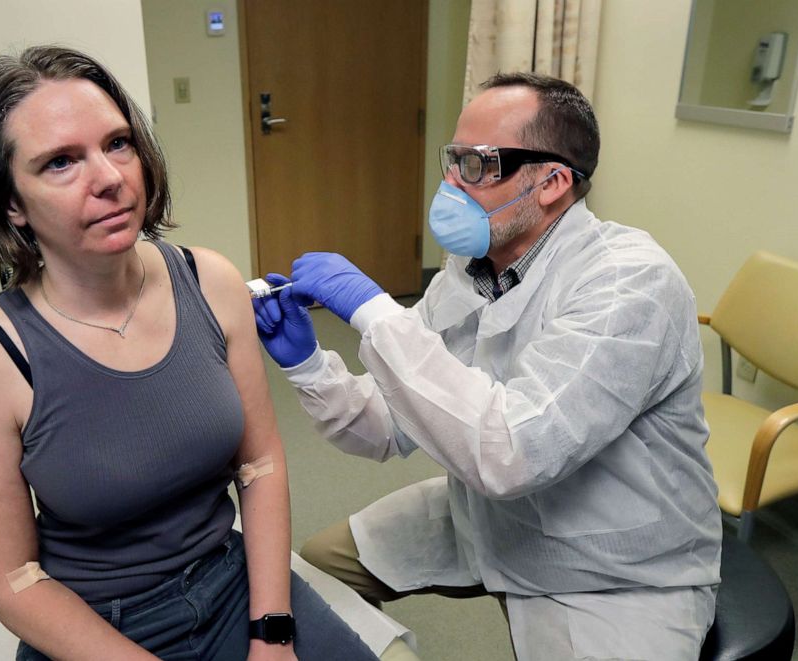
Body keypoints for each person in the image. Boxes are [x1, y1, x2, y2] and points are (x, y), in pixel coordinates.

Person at [253, 72, 722, 660]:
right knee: (320, 574)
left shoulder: (629, 282)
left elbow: (514, 451)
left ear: (552, 182)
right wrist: (308, 366)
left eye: (479, 164)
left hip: (613, 567)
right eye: (452, 160)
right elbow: (386, 426)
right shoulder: (469, 270)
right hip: (490, 517)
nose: (451, 182)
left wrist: (378, 316)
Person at [0, 45, 379, 661]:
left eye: (117, 143)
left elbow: (260, 464)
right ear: (10, 202)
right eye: (61, 162)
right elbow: (11, 579)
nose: (110, 178)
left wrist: (273, 633)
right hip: (96, 628)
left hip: (234, 585)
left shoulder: (211, 282)